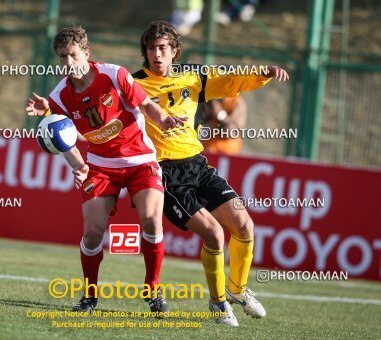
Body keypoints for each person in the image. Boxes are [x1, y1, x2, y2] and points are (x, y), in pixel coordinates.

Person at [132, 21, 288, 326]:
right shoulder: (134, 84)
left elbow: (232, 81)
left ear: (174, 50)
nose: (156, 54)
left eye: (163, 47)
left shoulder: (194, 76)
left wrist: (264, 74)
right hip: (164, 172)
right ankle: (218, 305)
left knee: (244, 225)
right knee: (215, 234)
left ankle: (237, 290)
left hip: (197, 166)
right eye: (151, 48)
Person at [25, 26, 186, 314]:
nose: (68, 63)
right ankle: (89, 297)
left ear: (86, 53)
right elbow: (64, 141)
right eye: (62, 57)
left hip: (140, 160)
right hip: (100, 166)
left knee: (151, 220)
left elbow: (147, 105)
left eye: (73, 55)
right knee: (93, 233)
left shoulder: (115, 75)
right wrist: (79, 166)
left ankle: (152, 288)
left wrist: (164, 120)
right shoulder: (59, 97)